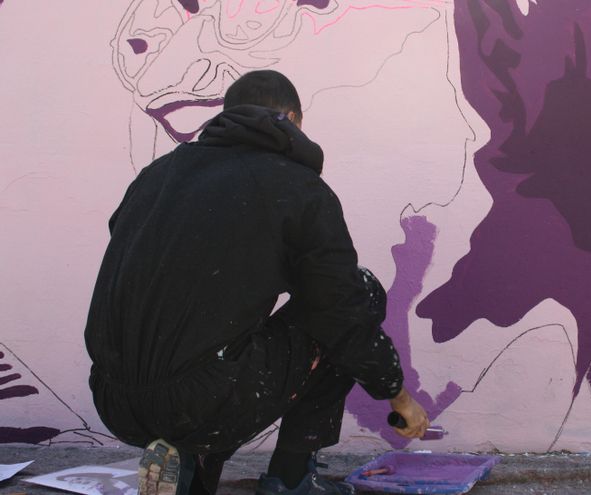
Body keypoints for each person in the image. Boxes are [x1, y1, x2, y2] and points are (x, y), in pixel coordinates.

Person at [84, 69, 430, 495]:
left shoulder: (156, 176)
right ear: (292, 120)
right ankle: (291, 477)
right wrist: (397, 395)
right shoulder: (297, 187)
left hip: (115, 398)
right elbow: (343, 310)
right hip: (202, 399)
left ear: (227, 118)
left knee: (218, 340)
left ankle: (187, 465)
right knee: (356, 294)